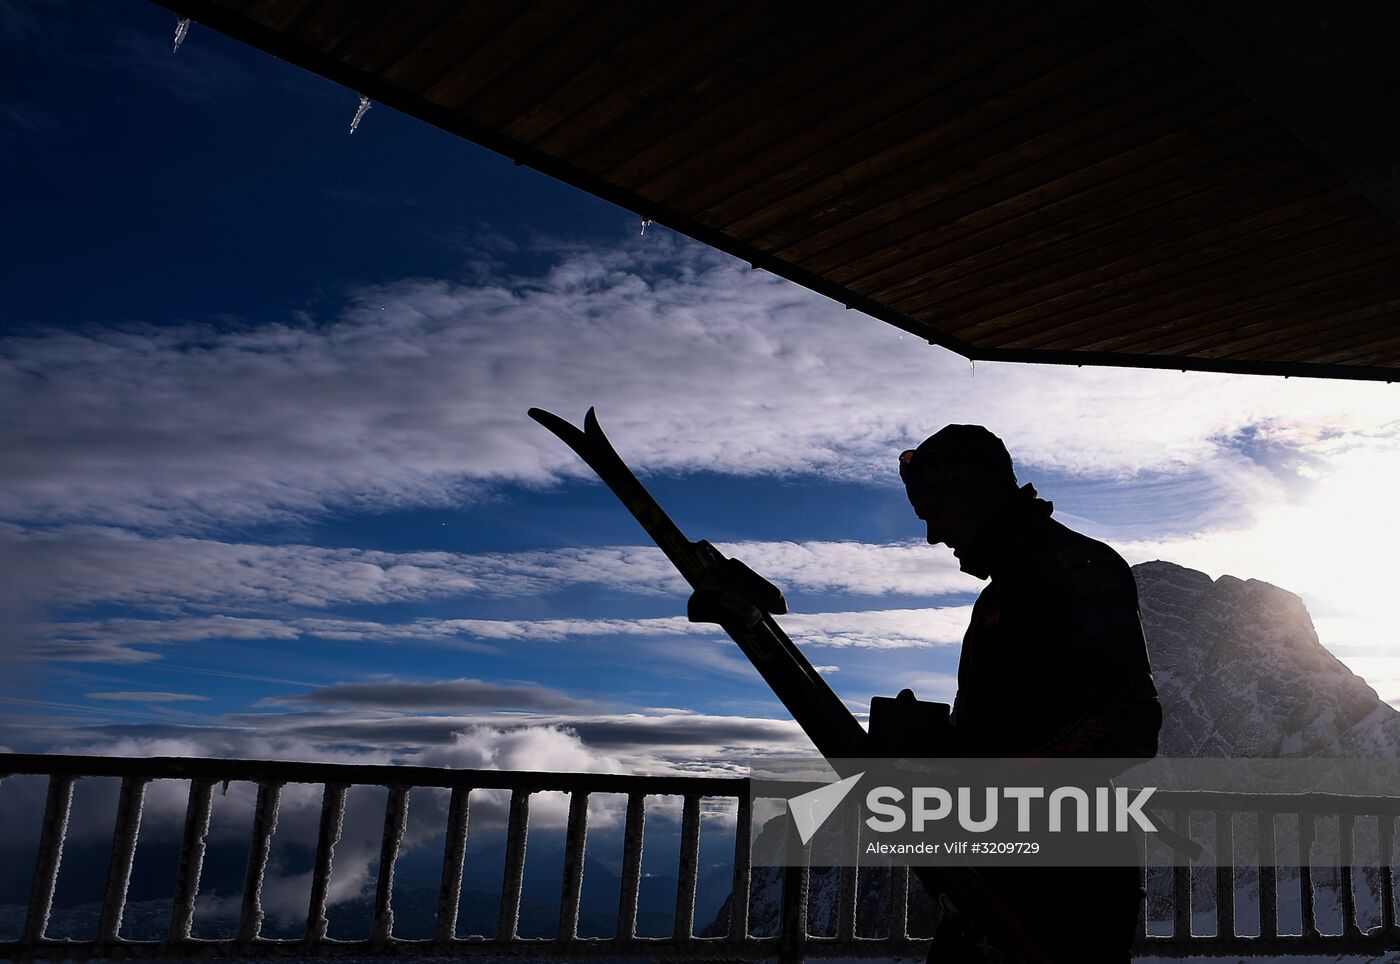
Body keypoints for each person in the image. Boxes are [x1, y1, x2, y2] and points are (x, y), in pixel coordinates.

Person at [898, 424, 1161, 962]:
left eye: (935, 513)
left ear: (978, 495)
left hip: (1069, 882)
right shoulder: (1000, 596)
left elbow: (1128, 717)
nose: (932, 536)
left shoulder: (1079, 570)